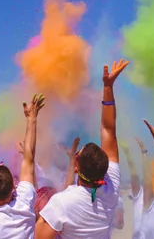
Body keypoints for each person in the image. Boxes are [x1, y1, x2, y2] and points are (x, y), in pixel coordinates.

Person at [35, 59, 129, 238]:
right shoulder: (112, 188)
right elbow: (109, 130)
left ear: (76, 167)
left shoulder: (63, 203)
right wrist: (108, 88)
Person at [0, 93, 46, 239]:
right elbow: (29, 161)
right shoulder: (24, 203)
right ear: (13, 187)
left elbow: (29, 161)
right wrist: (32, 119)